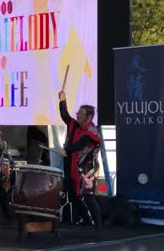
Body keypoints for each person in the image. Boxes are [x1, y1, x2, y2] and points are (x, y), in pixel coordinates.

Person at [58, 90, 102, 235]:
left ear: (89, 116)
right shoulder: (75, 125)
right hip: (72, 166)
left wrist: (66, 149)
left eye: (81, 114)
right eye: (78, 113)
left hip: (87, 170)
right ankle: (87, 222)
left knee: (88, 197)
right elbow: (65, 116)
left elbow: (80, 145)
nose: (77, 115)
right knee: (73, 195)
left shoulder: (91, 131)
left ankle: (99, 226)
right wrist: (63, 101)